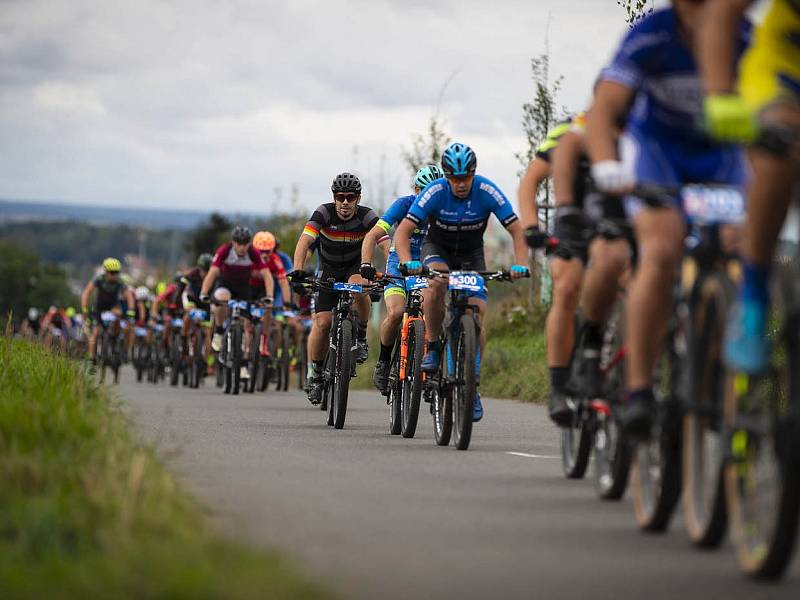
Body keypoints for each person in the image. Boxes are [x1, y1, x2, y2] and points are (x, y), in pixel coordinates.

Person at [585, 0, 750, 436]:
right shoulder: (652, 34)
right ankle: (640, 390)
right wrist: (605, 163)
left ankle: (726, 360)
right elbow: (603, 108)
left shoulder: (745, 37)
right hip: (659, 154)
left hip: (720, 159)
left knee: (741, 245)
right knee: (660, 249)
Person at [698, 0, 800, 374]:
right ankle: (753, 297)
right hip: (784, 69)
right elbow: (722, 12)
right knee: (783, 147)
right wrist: (720, 95)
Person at [395, 143, 531, 422]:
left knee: (477, 312)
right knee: (434, 286)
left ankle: (472, 383)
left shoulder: (486, 191)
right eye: (454, 178)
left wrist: (521, 263)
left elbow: (516, 229)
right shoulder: (434, 192)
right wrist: (407, 261)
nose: (460, 184)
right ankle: (433, 347)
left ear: (473, 173)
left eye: (465, 178)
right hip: (438, 250)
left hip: (471, 254)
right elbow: (404, 231)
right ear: (446, 176)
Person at [290, 172, 387, 404]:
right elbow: (305, 241)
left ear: (358, 198)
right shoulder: (323, 212)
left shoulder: (367, 216)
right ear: (334, 197)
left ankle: (361, 337)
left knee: (359, 288)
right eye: (340, 197)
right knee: (322, 323)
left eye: (350, 197)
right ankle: (316, 374)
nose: (345, 202)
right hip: (328, 270)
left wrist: (391, 265)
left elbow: (384, 241)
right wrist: (297, 270)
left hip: (355, 268)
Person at [360, 164, 443, 393]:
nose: (426, 197)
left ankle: (429, 368)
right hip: (399, 266)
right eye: (422, 191)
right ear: (415, 188)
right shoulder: (403, 205)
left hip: (427, 266)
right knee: (396, 313)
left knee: (431, 310)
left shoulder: (442, 210)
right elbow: (373, 235)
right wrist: (366, 264)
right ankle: (384, 362)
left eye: (432, 192)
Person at [199, 226, 274, 380]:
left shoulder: (253, 252)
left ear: (249, 243)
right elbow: (212, 273)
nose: (241, 247)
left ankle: (245, 363)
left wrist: (269, 296)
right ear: (233, 243)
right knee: (220, 298)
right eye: (238, 243)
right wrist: (204, 293)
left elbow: (266, 274)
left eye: (245, 243)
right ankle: (219, 331)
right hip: (226, 284)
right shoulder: (224, 250)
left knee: (247, 326)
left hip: (244, 287)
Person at [80, 257, 135, 363]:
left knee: (119, 318)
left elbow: (129, 296)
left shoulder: (120, 282)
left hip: (113, 307)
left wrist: (131, 311)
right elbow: (87, 293)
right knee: (95, 332)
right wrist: (84, 308)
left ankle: (117, 341)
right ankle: (92, 358)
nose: (114, 275)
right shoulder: (98, 279)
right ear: (106, 272)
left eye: (116, 272)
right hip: (99, 307)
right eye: (112, 272)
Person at [251, 231, 292, 356]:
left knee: (272, 311)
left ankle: (269, 347)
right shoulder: (249, 258)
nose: (264, 255)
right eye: (260, 252)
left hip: (271, 289)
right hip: (251, 288)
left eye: (267, 251)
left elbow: (284, 283)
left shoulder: (278, 259)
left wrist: (287, 303)